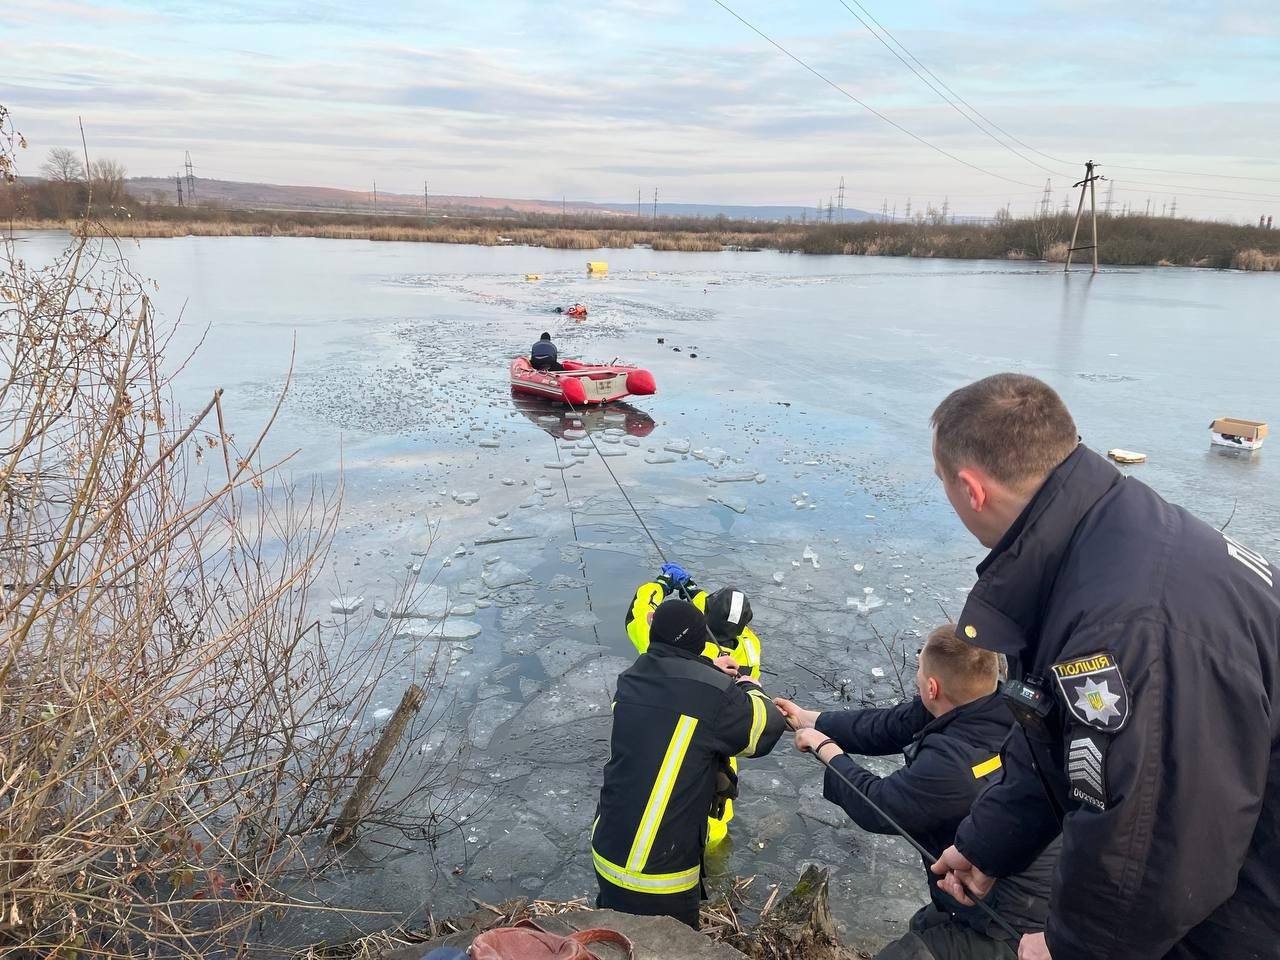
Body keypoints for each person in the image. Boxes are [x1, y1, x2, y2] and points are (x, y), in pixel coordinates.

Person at [923, 373, 1279, 959]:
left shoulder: (1125, 627)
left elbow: (1156, 840)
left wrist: (1074, 949)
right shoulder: (1107, 532)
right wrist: (990, 843)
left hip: (1251, 903)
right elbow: (1063, 738)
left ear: (970, 488)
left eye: (944, 483)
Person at [776, 624, 1056, 959]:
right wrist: (812, 720)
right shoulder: (998, 707)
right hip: (986, 897)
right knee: (923, 925)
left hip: (1015, 930)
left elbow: (877, 805)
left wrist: (826, 749)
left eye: (919, 670)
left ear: (932, 687)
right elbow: (886, 727)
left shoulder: (953, 765)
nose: (917, 676)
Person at [592, 599, 786, 927]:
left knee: (618, 935)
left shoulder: (631, 679)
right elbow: (764, 730)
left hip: (607, 851)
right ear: (700, 643)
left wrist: (708, 668)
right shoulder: (715, 695)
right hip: (659, 872)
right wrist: (749, 687)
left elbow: (678, 686)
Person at [625, 563, 763, 846]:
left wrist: (661, 585)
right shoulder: (750, 646)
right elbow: (723, 618)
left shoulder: (684, 649)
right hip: (723, 747)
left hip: (675, 739)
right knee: (716, 812)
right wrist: (692, 589)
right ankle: (715, 863)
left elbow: (636, 615)